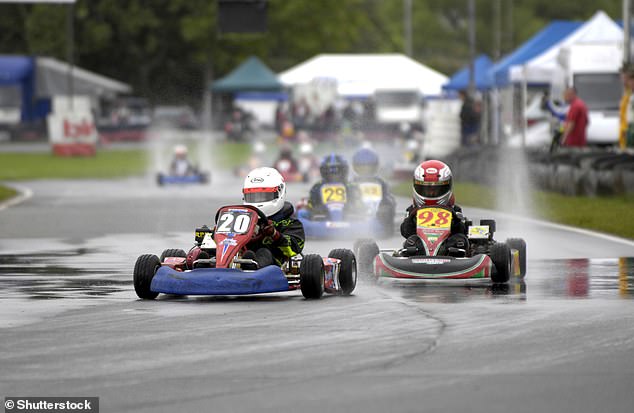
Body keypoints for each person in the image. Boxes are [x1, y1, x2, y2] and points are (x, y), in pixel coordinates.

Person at [399, 160, 469, 256]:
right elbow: (406, 231)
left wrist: (455, 220)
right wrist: (413, 217)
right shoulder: (412, 210)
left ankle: (453, 260)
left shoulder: (454, 209)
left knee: (460, 240)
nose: (431, 193)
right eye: (427, 189)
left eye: (436, 189)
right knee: (411, 241)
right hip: (419, 249)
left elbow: (462, 230)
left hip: (448, 249)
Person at [241, 167, 305, 268]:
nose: (258, 201)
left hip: (275, 266)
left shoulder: (289, 223)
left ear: (279, 193)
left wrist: (275, 235)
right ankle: (209, 263)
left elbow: (292, 249)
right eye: (253, 196)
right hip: (240, 258)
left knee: (263, 251)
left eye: (264, 196)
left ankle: (252, 267)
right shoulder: (243, 219)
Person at [305, 154, 361, 218]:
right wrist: (317, 208)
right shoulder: (317, 187)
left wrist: (351, 206)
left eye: (337, 172)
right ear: (324, 172)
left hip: (349, 217)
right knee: (301, 213)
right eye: (330, 173)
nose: (334, 176)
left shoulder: (351, 186)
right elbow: (310, 206)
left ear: (344, 171)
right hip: (323, 218)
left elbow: (360, 205)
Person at [351, 147, 396, 226]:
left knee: (390, 201)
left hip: (379, 212)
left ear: (375, 166)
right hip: (356, 213)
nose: (366, 170)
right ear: (355, 167)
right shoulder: (352, 183)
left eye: (369, 167)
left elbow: (387, 199)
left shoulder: (381, 182)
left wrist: (385, 206)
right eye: (362, 167)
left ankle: (384, 222)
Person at [619, 64, 631, 150]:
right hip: (624, 131)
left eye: (625, 78)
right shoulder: (626, 93)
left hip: (629, 131)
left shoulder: (631, 95)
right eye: (622, 78)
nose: (623, 81)